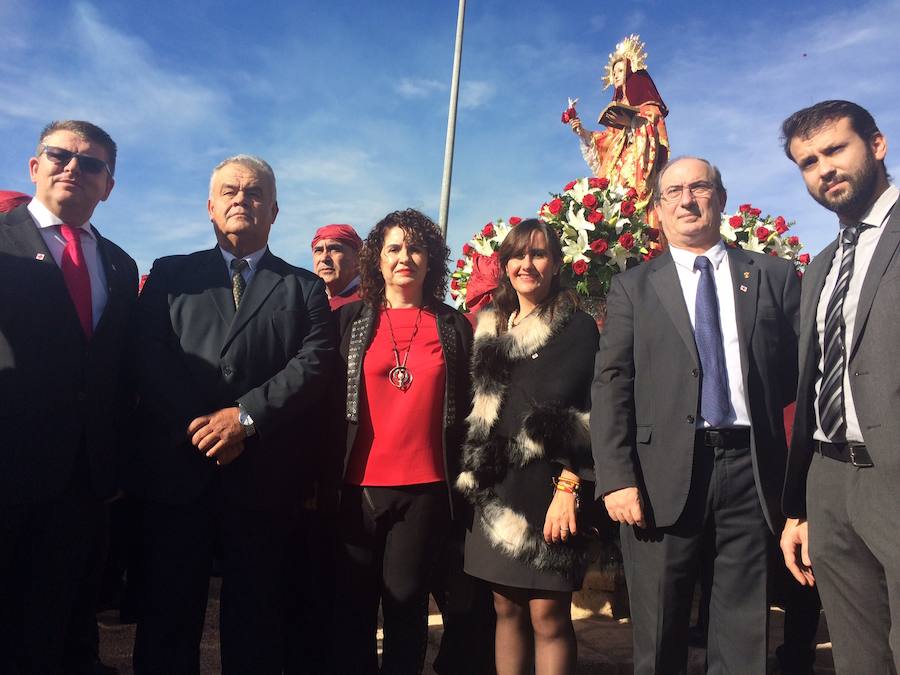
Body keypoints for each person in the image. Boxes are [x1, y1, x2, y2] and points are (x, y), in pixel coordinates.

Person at [592, 156, 800, 674]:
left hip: (749, 472)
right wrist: (616, 477)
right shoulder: (633, 288)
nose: (688, 199)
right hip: (659, 476)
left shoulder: (772, 276)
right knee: (659, 635)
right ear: (659, 210)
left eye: (700, 187)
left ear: (721, 199)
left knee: (742, 629)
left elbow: (803, 377)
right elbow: (613, 382)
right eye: (675, 192)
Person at [130, 154, 336, 674]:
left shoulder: (303, 287)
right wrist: (201, 427)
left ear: (274, 211)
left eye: (254, 193)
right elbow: (149, 355)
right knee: (168, 615)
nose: (241, 200)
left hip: (262, 480)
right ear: (210, 207)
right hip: (179, 473)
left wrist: (243, 418)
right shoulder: (172, 275)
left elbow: (313, 364)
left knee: (258, 619)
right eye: (229, 191)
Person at [0, 121, 138, 674]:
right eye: (59, 155)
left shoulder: (120, 265)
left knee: (67, 610)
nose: (73, 168)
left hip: (86, 475)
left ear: (108, 186)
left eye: (92, 164)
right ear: (34, 167)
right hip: (10, 466)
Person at [780, 99, 900, 673]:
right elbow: (814, 383)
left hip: (895, 473)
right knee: (857, 657)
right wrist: (801, 506)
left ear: (876, 145)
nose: (823, 168)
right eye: (807, 162)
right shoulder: (822, 264)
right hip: (828, 480)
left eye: (835, 150)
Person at [332, 209, 474, 675]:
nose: (404, 258)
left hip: (425, 490)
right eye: (393, 248)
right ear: (377, 259)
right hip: (357, 490)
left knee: (407, 609)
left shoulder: (453, 327)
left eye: (416, 248)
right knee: (352, 611)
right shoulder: (350, 322)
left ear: (432, 260)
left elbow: (474, 405)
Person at [456, 218, 599, 675]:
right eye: (518, 255)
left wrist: (570, 485)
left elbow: (590, 411)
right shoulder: (490, 327)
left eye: (539, 254)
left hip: (551, 484)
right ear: (505, 265)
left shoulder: (576, 326)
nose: (527, 264)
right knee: (505, 607)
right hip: (496, 481)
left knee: (548, 614)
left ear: (556, 264)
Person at [569, 34, 669, 212]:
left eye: (620, 71)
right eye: (613, 72)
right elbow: (607, 140)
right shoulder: (618, 106)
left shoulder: (647, 105)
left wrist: (632, 122)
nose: (615, 75)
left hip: (638, 169)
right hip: (616, 173)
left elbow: (655, 129)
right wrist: (582, 132)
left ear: (631, 70)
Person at [312, 223, 364, 309]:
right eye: (318, 251)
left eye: (334, 249)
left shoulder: (373, 300)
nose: (324, 258)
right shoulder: (309, 305)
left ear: (357, 258)